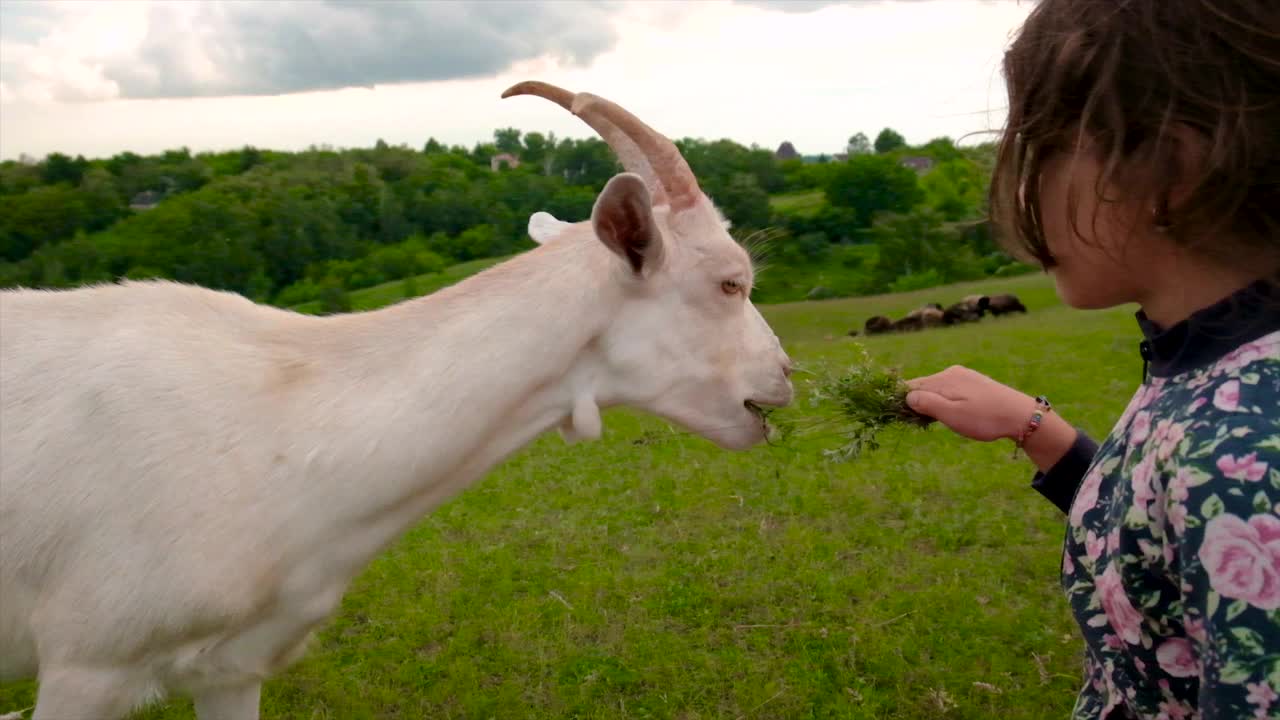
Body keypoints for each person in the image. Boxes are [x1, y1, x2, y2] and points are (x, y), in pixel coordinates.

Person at [902, 1, 1280, 718]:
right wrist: (1037, 430)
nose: (1022, 186)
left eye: (1043, 149)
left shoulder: (1256, 447)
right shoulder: (1209, 363)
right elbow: (1164, 539)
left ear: (1169, 167)